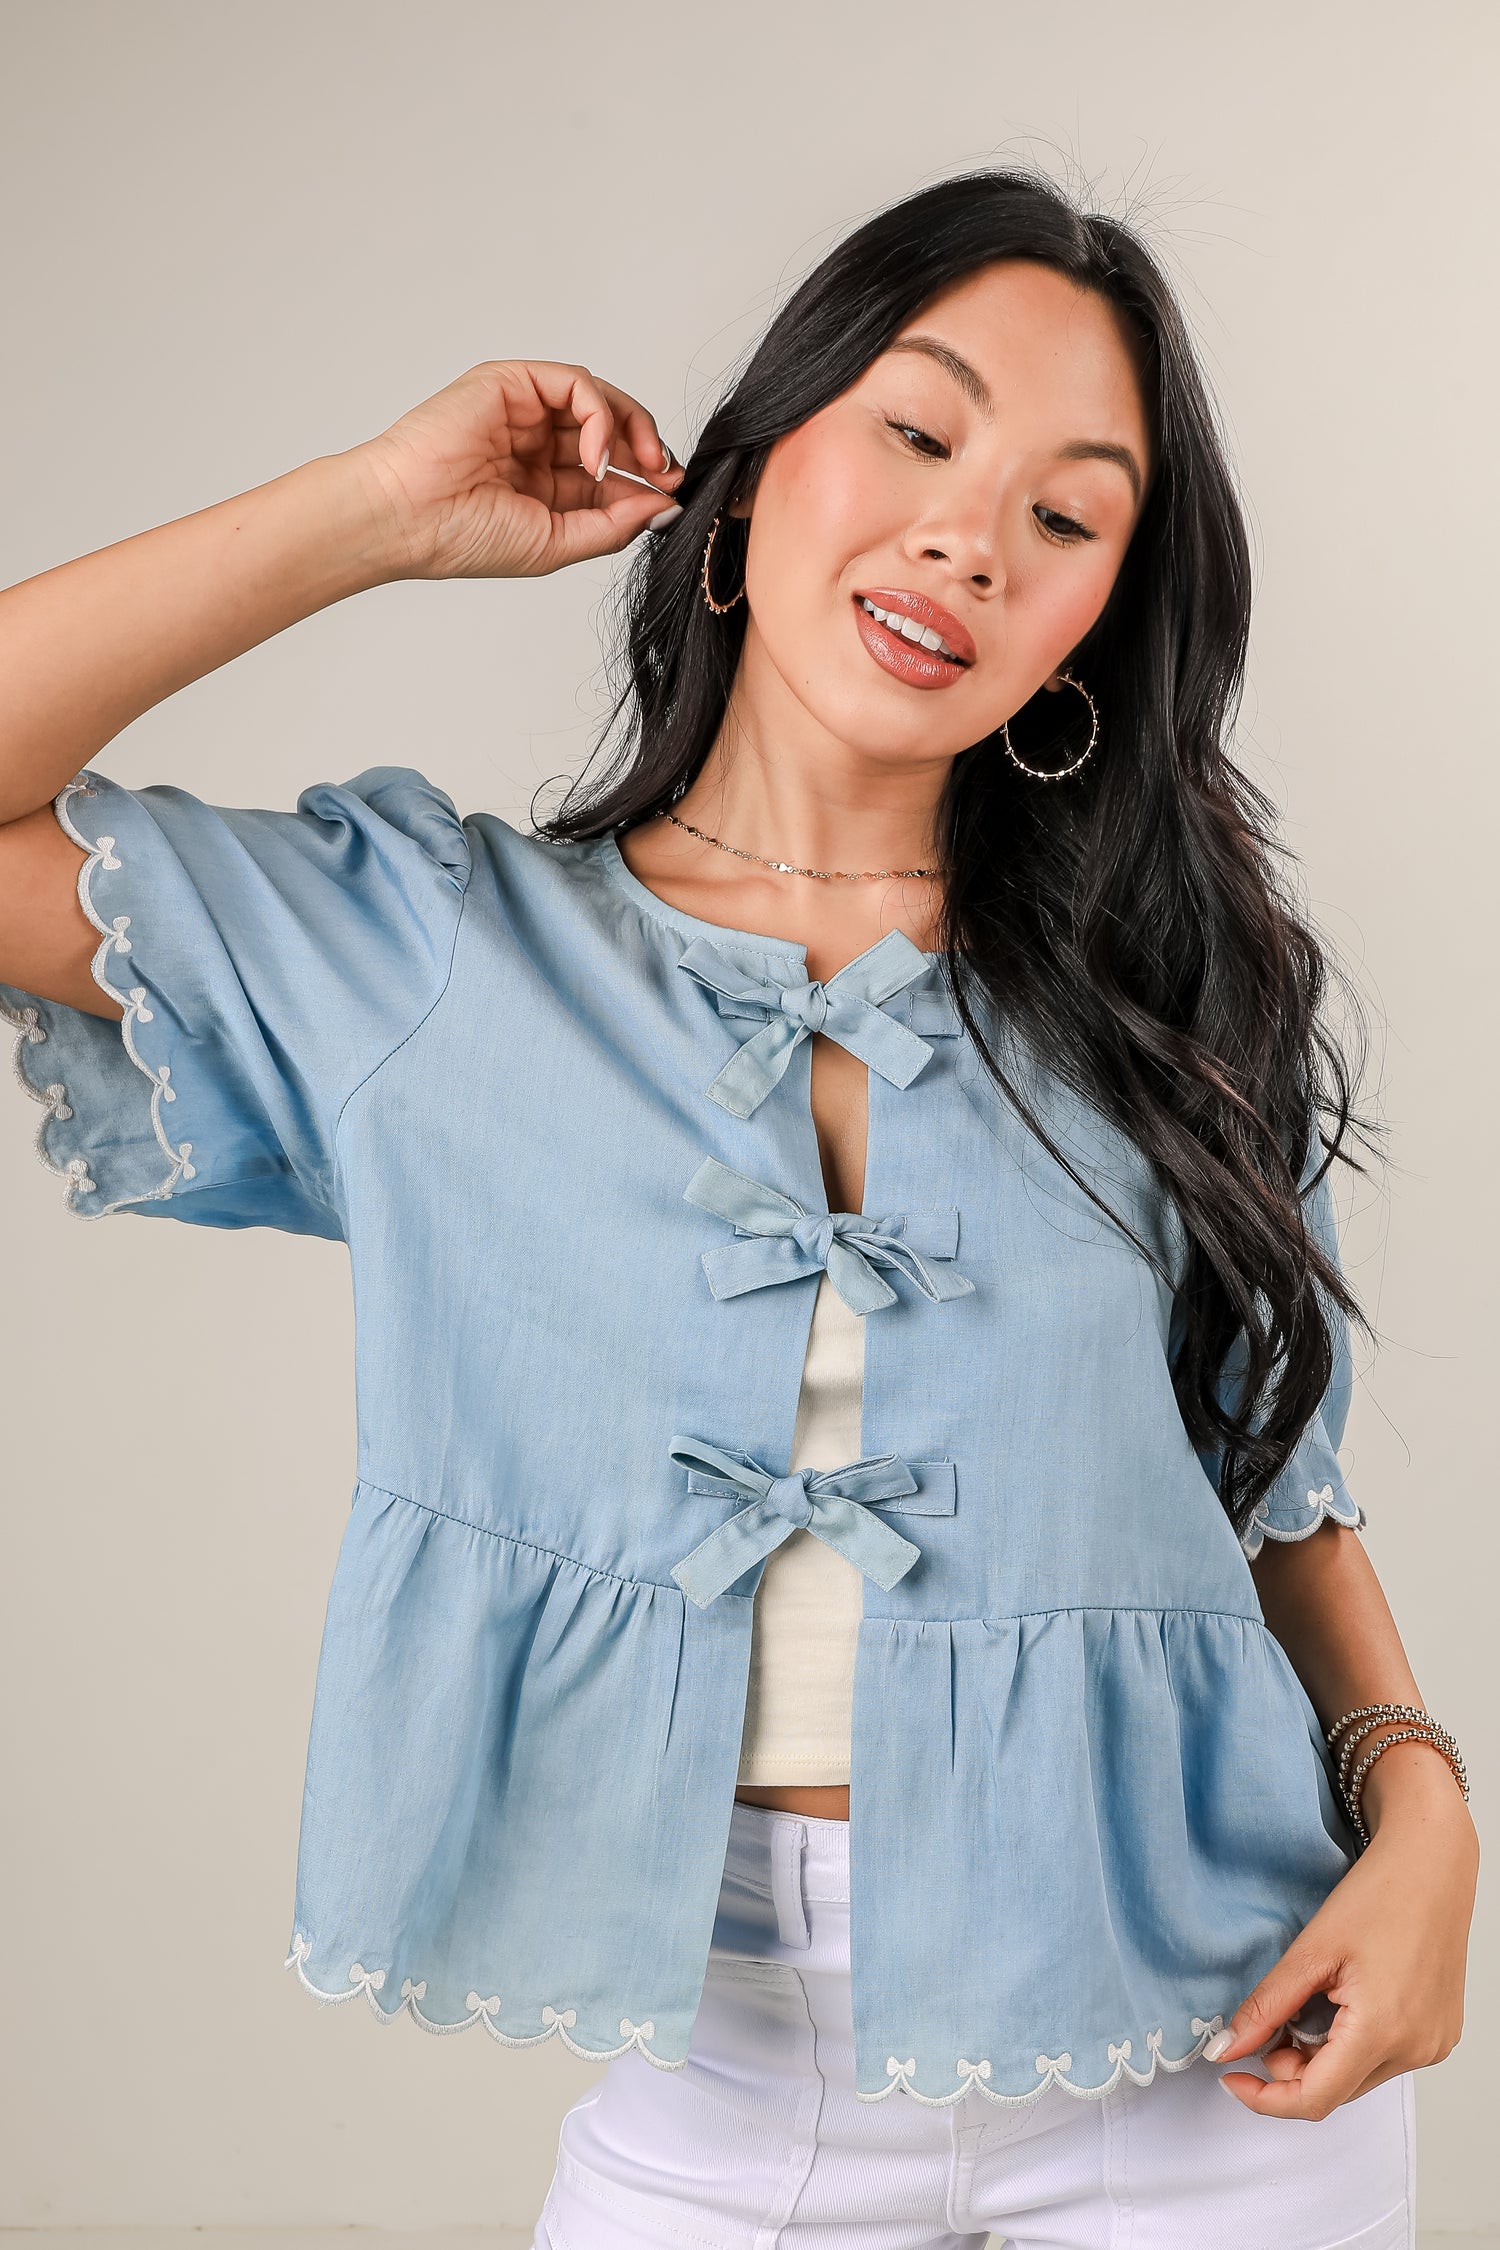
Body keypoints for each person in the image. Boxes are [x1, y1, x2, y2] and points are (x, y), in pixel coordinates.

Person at [0, 168, 1477, 2247]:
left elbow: (1265, 1476)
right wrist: (376, 510)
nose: (971, 537)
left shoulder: (1177, 992)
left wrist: (1424, 1808)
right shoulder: (435, 951)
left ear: (1094, 623)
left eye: (1067, 519)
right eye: (919, 429)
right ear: (759, 459)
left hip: (1221, 2061)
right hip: (731, 2076)